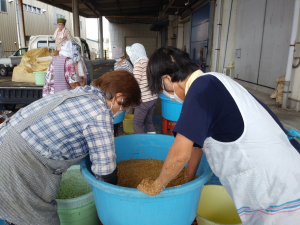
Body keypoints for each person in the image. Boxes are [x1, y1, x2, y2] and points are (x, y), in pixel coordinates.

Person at [138, 46, 300, 225]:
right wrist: (187, 179)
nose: (168, 94)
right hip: (281, 167)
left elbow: (179, 155)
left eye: (163, 89)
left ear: (167, 79)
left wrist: (156, 186)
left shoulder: (200, 90)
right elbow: (196, 145)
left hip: (275, 181)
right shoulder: (213, 80)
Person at [0, 70, 141, 225]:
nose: (122, 111)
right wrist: (115, 191)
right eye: (124, 107)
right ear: (118, 98)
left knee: (15, 213)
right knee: (37, 218)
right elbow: (105, 170)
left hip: (6, 137)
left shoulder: (82, 92)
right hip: (17, 158)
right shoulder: (99, 112)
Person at [126, 43, 158, 134]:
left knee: (137, 123)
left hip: (144, 99)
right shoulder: (149, 62)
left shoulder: (139, 63)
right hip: (153, 98)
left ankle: (141, 145)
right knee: (148, 121)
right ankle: (152, 142)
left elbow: (135, 82)